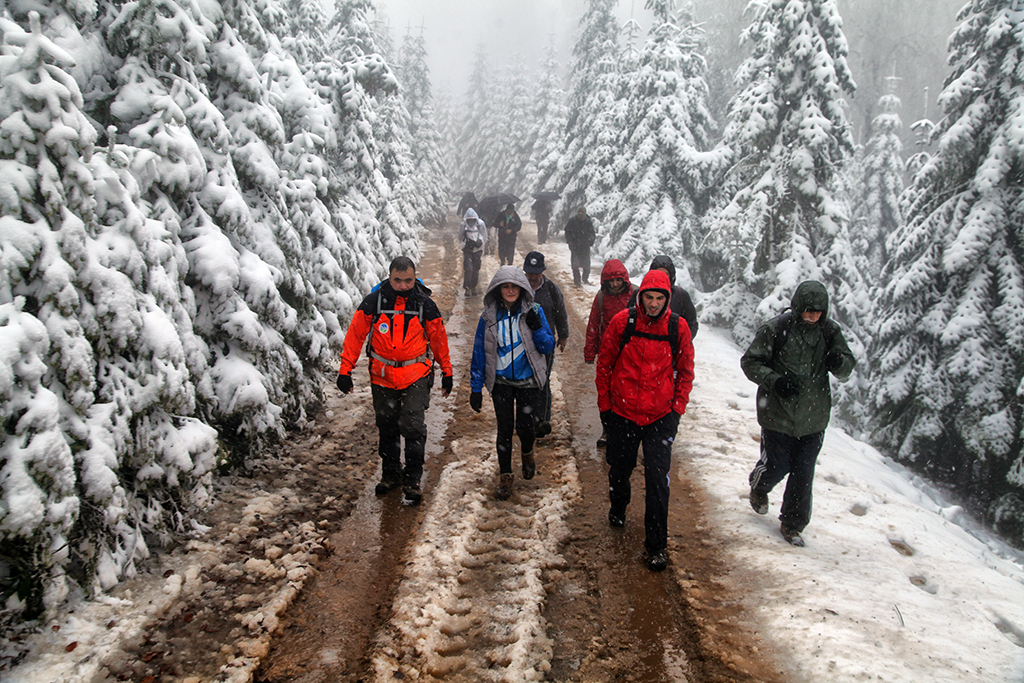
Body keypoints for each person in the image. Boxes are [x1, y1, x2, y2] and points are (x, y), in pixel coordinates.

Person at [740, 280, 855, 547]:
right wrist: (775, 381)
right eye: (808, 310)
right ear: (798, 307)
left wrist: (839, 363)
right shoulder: (777, 329)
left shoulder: (828, 332)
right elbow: (750, 362)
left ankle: (792, 524)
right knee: (776, 465)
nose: (813, 316)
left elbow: (847, 367)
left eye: (818, 311)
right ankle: (760, 486)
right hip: (777, 415)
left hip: (813, 419)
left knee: (803, 473)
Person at [596, 269, 694, 571]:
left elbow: (686, 372)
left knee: (657, 482)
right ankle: (619, 504)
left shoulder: (678, 328)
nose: (653, 304)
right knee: (620, 468)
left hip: (660, 417)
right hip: (623, 414)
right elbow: (605, 364)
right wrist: (606, 407)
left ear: (667, 299)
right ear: (641, 297)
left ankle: (656, 545)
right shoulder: (621, 323)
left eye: (659, 298)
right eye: (648, 297)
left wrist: (676, 409)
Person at [337, 257, 454, 505]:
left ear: (415, 278)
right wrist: (345, 370)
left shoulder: (425, 304)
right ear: (389, 277)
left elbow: (438, 340)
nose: (402, 285)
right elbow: (355, 335)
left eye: (408, 280)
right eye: (397, 280)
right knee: (387, 427)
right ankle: (390, 475)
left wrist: (447, 371)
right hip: (382, 377)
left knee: (413, 426)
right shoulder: (374, 302)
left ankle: (412, 480)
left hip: (416, 374)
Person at [469, 266, 555, 500]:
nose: (509, 290)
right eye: (505, 286)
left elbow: (548, 347)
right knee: (504, 430)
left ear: (522, 288)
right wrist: (475, 387)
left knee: (526, 428)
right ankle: (506, 477)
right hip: (501, 383)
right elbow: (480, 352)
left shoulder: (533, 312)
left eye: (514, 286)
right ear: (497, 289)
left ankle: (527, 451)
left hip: (528, 382)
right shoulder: (488, 317)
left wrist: (537, 328)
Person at [584, 259, 637, 447]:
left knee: (629, 391)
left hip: (632, 353)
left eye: (618, 280)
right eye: (611, 281)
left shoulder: (637, 295)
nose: (615, 284)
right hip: (608, 353)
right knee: (606, 391)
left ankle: (629, 428)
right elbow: (593, 324)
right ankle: (607, 429)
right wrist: (590, 351)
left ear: (625, 279)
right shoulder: (601, 297)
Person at [523, 251, 569, 439]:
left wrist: (563, 335)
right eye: (530, 273)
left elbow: (561, 313)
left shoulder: (552, 289)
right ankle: (526, 419)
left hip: (545, 343)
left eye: (536, 273)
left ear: (542, 271)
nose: (533, 277)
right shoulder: (518, 287)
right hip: (521, 344)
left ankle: (542, 420)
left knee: (542, 380)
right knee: (526, 382)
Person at [628, 255, 699, 338]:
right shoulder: (640, 294)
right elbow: (628, 318)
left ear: (671, 276)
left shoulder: (681, 295)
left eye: (665, 274)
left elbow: (692, 323)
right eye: (658, 272)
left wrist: (681, 342)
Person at [563, 206, 596, 287]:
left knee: (586, 265)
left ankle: (585, 279)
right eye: (579, 213)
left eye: (582, 213)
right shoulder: (572, 221)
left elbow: (592, 233)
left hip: (585, 246)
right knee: (575, 265)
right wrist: (570, 241)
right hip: (575, 246)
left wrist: (590, 241)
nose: (580, 215)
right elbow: (567, 231)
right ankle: (577, 281)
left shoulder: (588, 222)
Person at [460, 208, 487, 295]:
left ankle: (473, 286)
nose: (471, 221)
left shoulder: (480, 224)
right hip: (467, 250)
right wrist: (465, 245)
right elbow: (460, 236)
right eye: (469, 219)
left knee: (476, 269)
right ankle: (467, 287)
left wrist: (480, 245)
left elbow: (484, 235)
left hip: (478, 250)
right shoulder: (463, 225)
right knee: (468, 269)